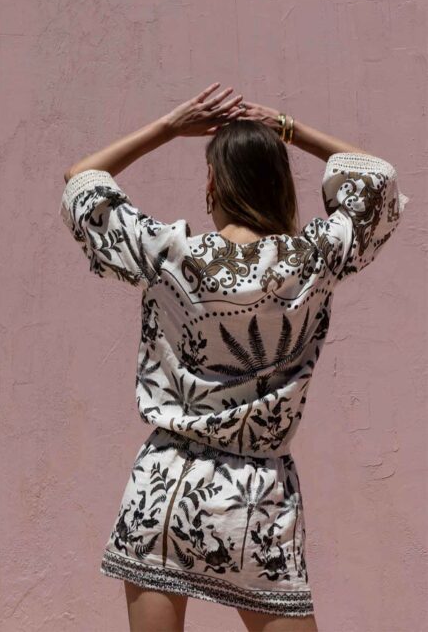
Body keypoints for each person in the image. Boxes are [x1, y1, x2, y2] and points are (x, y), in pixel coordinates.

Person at [60, 83, 409, 632]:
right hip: (258, 499)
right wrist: (289, 128)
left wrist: (170, 127)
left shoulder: (169, 253)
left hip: (164, 489)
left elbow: (82, 178)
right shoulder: (312, 259)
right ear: (278, 183)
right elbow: (378, 178)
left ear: (212, 184)